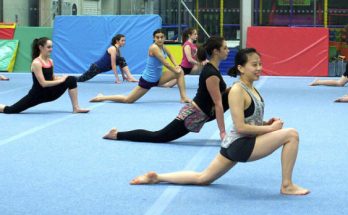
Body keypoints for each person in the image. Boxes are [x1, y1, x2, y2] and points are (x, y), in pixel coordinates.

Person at [130, 48, 310, 196]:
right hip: (241, 143)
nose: (259, 68)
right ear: (240, 68)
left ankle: (157, 177)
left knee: (203, 178)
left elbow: (248, 119)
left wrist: (264, 123)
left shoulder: (250, 88)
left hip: (234, 143)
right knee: (291, 135)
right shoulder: (238, 90)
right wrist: (271, 129)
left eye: (260, 64)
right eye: (254, 65)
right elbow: (240, 126)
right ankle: (287, 185)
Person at [103, 36, 230, 142]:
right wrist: (223, 133)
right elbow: (218, 104)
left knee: (234, 92)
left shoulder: (213, 68)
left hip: (205, 111)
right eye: (225, 48)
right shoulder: (211, 73)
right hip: (193, 115)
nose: (228, 50)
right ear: (215, 51)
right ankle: (117, 134)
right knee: (159, 136)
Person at [90, 29, 191, 103]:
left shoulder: (163, 46)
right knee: (128, 100)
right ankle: (101, 97)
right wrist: (175, 69)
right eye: (157, 37)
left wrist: (176, 66)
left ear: (164, 37)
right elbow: (165, 62)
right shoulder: (154, 48)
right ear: (154, 38)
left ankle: (183, 97)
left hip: (159, 78)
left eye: (161, 37)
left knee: (180, 72)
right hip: (148, 80)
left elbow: (170, 55)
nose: (160, 39)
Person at [0, 37, 89, 114]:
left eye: (52, 47)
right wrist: (61, 80)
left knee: (71, 79)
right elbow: (43, 83)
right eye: (48, 47)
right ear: (41, 47)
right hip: (37, 95)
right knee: (10, 110)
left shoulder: (50, 61)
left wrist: (62, 78)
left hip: (51, 93)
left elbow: (52, 78)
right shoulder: (36, 63)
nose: (51, 49)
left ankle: (76, 108)